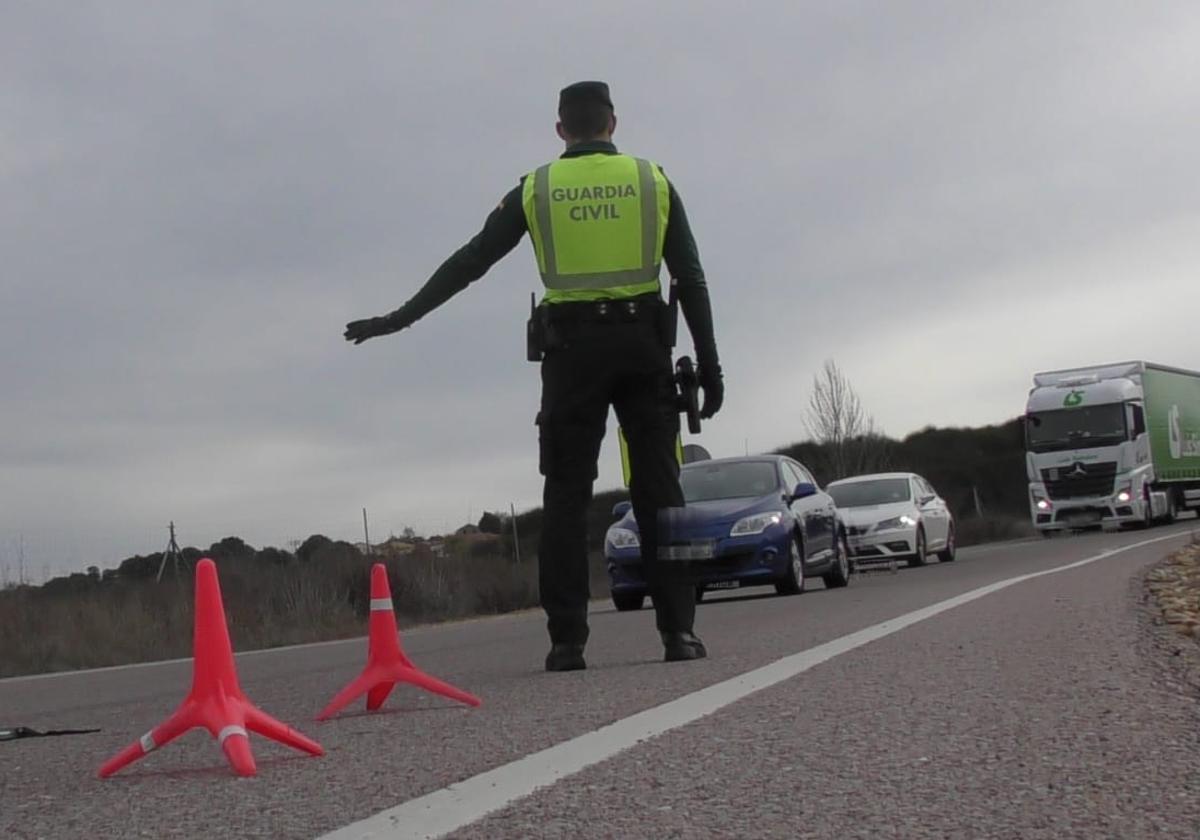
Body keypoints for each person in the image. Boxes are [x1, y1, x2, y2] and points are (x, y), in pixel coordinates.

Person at [344, 81, 723, 670]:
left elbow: (470, 261)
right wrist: (710, 363)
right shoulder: (654, 181)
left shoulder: (537, 188)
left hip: (571, 354)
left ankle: (566, 642)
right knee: (663, 497)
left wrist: (399, 318)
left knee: (566, 497)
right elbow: (690, 279)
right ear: (613, 124)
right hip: (643, 345)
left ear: (560, 130)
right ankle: (680, 634)